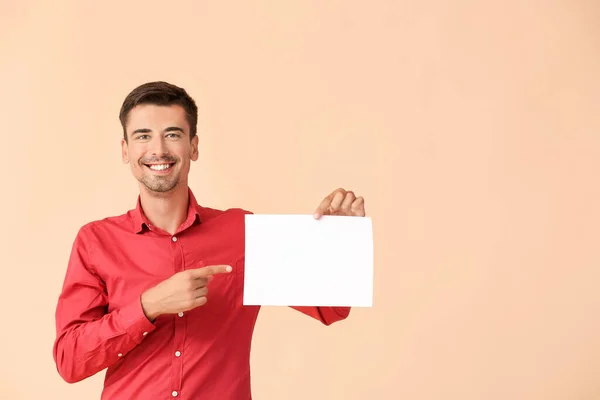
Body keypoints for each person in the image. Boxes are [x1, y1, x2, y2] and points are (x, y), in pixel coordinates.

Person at [52, 81, 367, 399]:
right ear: (125, 150)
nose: (158, 149)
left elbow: (330, 307)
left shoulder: (242, 231)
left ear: (194, 147)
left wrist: (342, 242)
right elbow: (70, 361)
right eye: (143, 135)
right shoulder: (97, 241)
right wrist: (149, 306)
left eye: (173, 134)